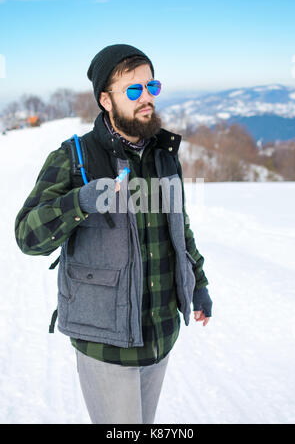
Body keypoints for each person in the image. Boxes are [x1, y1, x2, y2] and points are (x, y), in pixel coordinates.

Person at [15, 44, 213, 424]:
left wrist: (197, 282)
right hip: (106, 343)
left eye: (151, 87)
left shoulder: (164, 155)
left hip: (160, 335)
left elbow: (179, 228)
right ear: (105, 100)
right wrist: (81, 201)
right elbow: (27, 235)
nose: (146, 99)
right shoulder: (74, 158)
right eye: (133, 90)